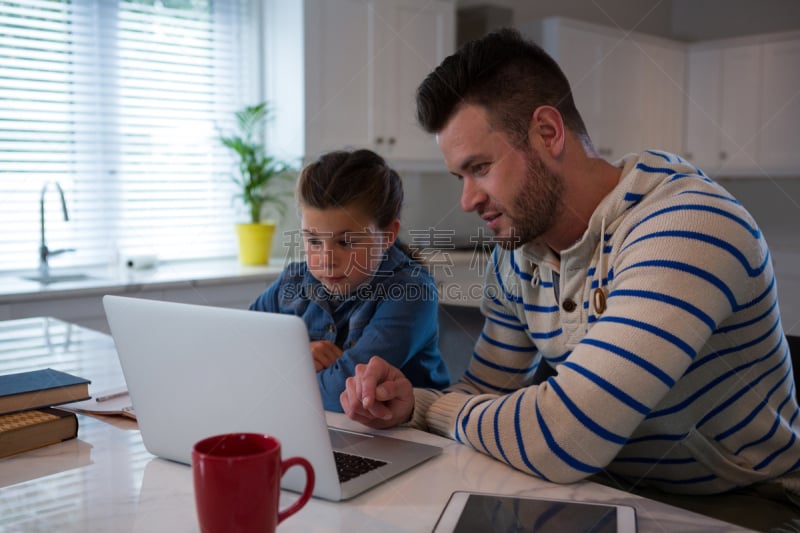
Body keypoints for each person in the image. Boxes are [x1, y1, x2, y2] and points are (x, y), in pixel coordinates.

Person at [340, 28, 800, 524]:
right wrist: (409, 403)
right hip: (603, 486)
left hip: (745, 504)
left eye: (480, 168)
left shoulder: (688, 227)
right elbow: (486, 391)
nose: (467, 199)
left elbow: (565, 435)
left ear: (548, 132)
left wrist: (431, 409)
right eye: (460, 177)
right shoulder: (518, 252)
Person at [250, 149, 450, 412]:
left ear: (388, 235)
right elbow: (243, 350)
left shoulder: (412, 291)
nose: (327, 259)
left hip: (408, 437)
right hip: (315, 425)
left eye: (345, 242)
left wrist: (279, 371)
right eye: (313, 241)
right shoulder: (294, 279)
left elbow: (343, 393)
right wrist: (295, 355)